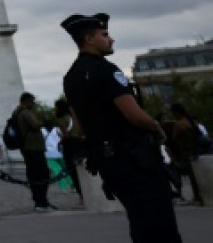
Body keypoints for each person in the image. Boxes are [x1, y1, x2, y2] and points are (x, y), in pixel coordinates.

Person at [61, 12, 182, 242]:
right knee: (161, 225)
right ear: (89, 39)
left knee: (140, 223)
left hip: (108, 162)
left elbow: (79, 126)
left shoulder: (71, 77)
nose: (111, 39)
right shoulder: (106, 70)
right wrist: (156, 127)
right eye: (104, 35)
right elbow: (133, 114)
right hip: (135, 158)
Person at [13, 92, 56, 211]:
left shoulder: (18, 112)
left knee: (35, 174)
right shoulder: (25, 113)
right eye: (32, 101)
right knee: (41, 174)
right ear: (27, 101)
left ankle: (41, 200)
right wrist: (44, 121)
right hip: (33, 148)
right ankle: (41, 201)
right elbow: (36, 125)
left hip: (29, 148)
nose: (34, 104)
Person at [167, 103, 203, 207]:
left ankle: (189, 196)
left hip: (185, 153)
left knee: (180, 174)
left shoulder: (179, 125)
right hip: (196, 151)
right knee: (195, 176)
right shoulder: (191, 122)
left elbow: (173, 139)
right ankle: (198, 196)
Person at [55, 98, 85, 202]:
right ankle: (85, 192)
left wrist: (60, 142)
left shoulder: (61, 119)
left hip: (69, 145)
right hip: (78, 142)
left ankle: (81, 195)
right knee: (81, 168)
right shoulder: (73, 117)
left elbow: (65, 135)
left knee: (72, 170)